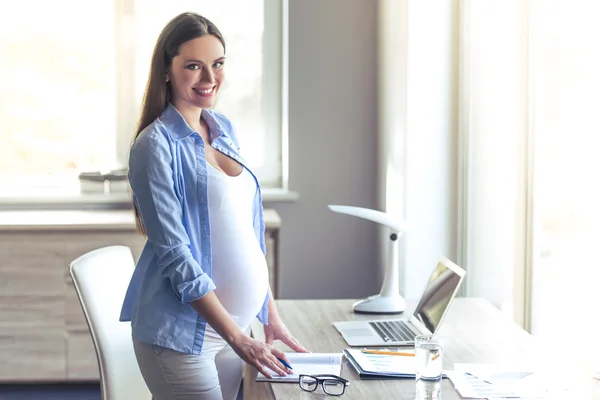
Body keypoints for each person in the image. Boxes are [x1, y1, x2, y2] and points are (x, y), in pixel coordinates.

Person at [119, 12, 308, 400]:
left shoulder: (223, 128)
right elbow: (176, 257)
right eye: (194, 66)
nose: (209, 78)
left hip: (233, 332)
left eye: (217, 64)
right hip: (184, 339)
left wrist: (268, 317)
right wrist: (239, 338)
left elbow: (246, 233)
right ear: (166, 71)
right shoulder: (154, 146)